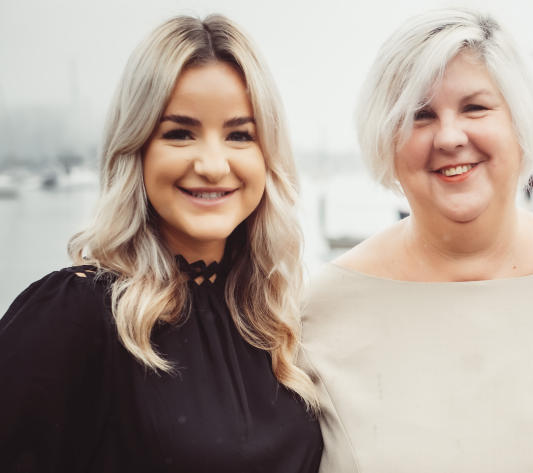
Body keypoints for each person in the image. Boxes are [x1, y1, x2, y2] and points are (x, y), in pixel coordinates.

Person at [301, 8, 533, 473]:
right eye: (421, 115)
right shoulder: (320, 311)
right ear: (386, 136)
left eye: (475, 107)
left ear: (518, 122)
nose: (450, 136)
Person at [0, 15, 322, 472]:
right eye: (179, 133)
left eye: (239, 135)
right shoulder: (76, 314)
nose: (212, 164)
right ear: (137, 149)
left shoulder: (275, 319)